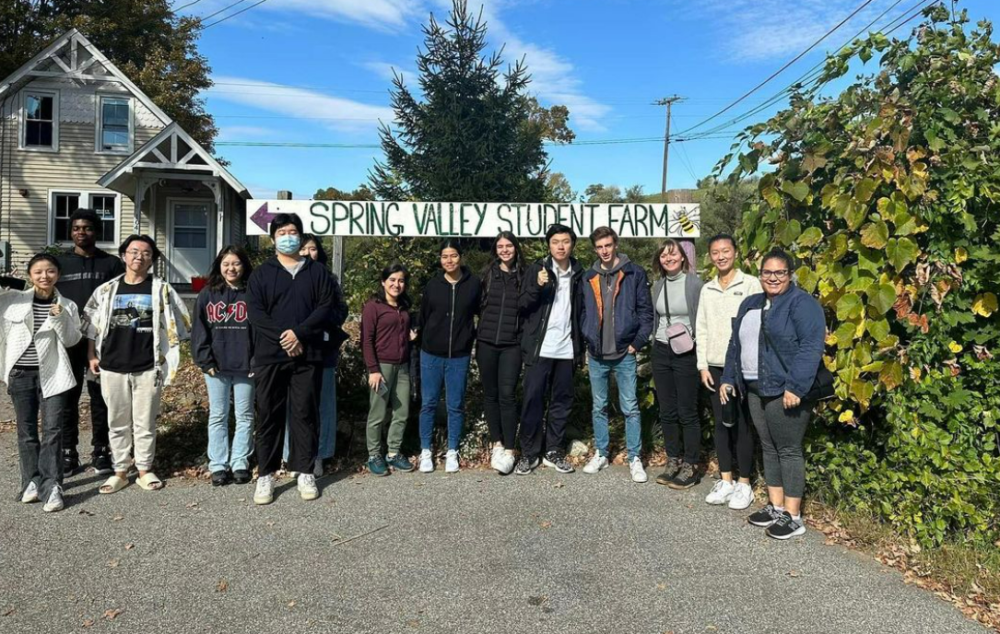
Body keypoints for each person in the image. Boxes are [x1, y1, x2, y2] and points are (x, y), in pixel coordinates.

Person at [720, 248, 826, 540]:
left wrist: (796, 386)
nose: (773, 277)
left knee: (789, 449)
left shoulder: (802, 304)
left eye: (780, 272)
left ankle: (793, 516)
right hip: (755, 388)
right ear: (760, 274)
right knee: (768, 446)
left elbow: (810, 347)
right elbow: (735, 345)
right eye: (767, 272)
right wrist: (729, 378)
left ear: (790, 275)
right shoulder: (751, 303)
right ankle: (776, 506)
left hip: (784, 390)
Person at [84, 235, 191, 494]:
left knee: (145, 422)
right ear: (123, 256)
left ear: (152, 259)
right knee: (117, 420)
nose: (139, 257)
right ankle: (120, 471)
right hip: (112, 364)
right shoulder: (107, 289)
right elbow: (91, 325)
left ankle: (144, 469)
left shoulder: (162, 289)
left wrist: (170, 352)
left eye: (145, 253)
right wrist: (91, 355)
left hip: (148, 365)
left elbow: (181, 321)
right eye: (133, 251)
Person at [246, 214, 335, 505]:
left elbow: (325, 307)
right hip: (270, 356)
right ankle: (266, 475)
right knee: (270, 415)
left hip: (308, 354)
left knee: (304, 413)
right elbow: (257, 314)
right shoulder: (262, 273)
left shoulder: (317, 272)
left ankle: (305, 470)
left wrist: (299, 334)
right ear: (273, 239)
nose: (288, 236)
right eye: (282, 232)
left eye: (293, 231)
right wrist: (285, 338)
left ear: (301, 236)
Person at [1, 254, 82, 512]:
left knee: (53, 430)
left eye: (49, 271)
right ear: (29, 275)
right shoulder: (11, 301)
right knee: (26, 432)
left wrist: (59, 317)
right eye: (38, 272)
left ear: (58, 274)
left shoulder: (67, 305)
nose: (44, 276)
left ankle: (53, 486)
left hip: (53, 374)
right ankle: (31, 482)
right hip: (20, 374)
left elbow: (71, 340)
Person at [580, 226, 654, 483]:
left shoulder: (634, 272)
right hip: (597, 354)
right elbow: (583, 312)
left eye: (608, 245)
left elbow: (646, 312)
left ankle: (634, 457)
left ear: (616, 245)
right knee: (598, 406)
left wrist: (637, 343)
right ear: (595, 249)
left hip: (625, 353)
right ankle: (601, 452)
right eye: (599, 247)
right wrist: (587, 335)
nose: (604, 251)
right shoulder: (589, 276)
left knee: (630, 407)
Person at [56, 208, 125, 475]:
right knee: (68, 397)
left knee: (101, 398)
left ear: (96, 232)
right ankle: (68, 452)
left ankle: (101, 451)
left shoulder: (111, 265)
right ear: (71, 232)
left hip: (100, 343)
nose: (81, 232)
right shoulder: (60, 264)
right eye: (76, 228)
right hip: (69, 341)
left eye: (87, 228)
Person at [696, 234, 763, 509]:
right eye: (715, 252)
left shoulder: (750, 284)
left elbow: (758, 325)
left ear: (735, 253)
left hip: (742, 366)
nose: (721, 256)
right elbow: (701, 327)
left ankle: (744, 484)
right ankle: (726, 480)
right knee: (721, 425)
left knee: (743, 425)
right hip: (714, 365)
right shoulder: (707, 289)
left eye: (725, 251)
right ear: (710, 256)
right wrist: (702, 365)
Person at [515, 224, 585, 476]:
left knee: (561, 402)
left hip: (566, 349)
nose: (561, 246)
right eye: (555, 241)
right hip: (540, 348)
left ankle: (553, 451)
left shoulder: (579, 273)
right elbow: (522, 305)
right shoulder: (538, 269)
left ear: (572, 244)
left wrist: (581, 347)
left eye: (565, 241)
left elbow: (581, 312)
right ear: (549, 245)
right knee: (532, 401)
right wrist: (536, 285)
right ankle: (529, 453)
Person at [281, 234, 348, 477]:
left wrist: (319, 323)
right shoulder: (287, 276)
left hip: (323, 350)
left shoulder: (329, 279)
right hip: (293, 349)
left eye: (313, 249)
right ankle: (294, 456)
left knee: (323, 405)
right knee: (295, 405)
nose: (309, 253)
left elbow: (341, 310)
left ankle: (319, 455)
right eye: (304, 249)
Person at [191, 246, 255, 487]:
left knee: (245, 415)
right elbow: (199, 330)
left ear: (244, 266)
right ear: (219, 265)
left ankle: (240, 461)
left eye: (236, 263)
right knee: (218, 415)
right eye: (226, 263)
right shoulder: (208, 293)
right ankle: (218, 464)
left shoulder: (253, 293)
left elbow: (260, 330)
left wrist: (256, 360)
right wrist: (204, 360)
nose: (231, 268)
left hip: (245, 365)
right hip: (216, 366)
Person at [416, 240, 481, 473]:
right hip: (431, 353)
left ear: (460, 257)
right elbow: (422, 316)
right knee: (429, 403)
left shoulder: (473, 284)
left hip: (459, 355)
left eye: (453, 255)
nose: (449, 260)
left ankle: (452, 450)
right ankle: (426, 450)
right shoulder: (433, 285)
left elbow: (481, 313)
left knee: (455, 405)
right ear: (440, 259)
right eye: (445, 256)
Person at [650, 238, 704, 489]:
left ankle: (691, 464)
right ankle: (673, 460)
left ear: (683, 257)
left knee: (687, 410)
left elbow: (701, 318)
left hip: (686, 351)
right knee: (667, 410)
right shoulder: (658, 285)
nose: (668, 258)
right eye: (663, 255)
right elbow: (656, 317)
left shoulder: (694, 284)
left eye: (673, 254)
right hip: (661, 349)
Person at [361, 263, 417, 475]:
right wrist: (373, 369)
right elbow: (367, 341)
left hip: (402, 367)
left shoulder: (403, 307)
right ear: (383, 282)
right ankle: (374, 455)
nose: (396, 284)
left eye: (401, 280)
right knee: (377, 413)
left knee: (401, 411)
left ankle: (393, 452)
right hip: (381, 368)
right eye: (392, 280)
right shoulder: (373, 307)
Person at [477, 232, 524, 475]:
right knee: (491, 395)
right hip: (485, 343)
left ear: (516, 248)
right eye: (500, 246)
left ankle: (509, 448)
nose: (505, 250)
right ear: (495, 249)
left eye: (509, 246)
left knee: (507, 395)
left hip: (511, 345)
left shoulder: (524, 276)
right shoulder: (486, 274)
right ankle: (496, 443)